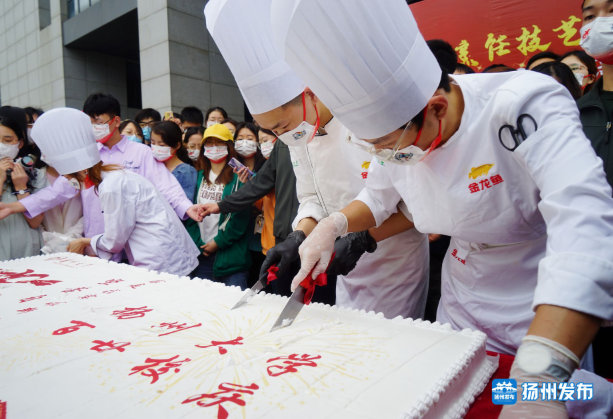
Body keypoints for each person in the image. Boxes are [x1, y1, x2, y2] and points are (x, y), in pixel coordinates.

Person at [273, 0, 613, 416]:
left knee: (567, 400)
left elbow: (587, 232)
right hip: (460, 303)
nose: (383, 156)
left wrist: (540, 378)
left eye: (389, 147)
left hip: (539, 303)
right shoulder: (392, 138)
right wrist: (333, 224)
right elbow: (376, 197)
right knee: (450, 398)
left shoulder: (523, 103)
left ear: (435, 107)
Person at [206, 0, 429, 316]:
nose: (283, 136)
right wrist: (299, 235)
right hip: (337, 256)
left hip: (392, 262)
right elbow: (312, 197)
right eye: (271, 130)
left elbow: (411, 204)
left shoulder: (367, 121)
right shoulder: (300, 132)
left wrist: (362, 238)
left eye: (282, 125)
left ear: (309, 94)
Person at [0, 108, 199, 275]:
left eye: (71, 178)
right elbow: (53, 194)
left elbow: (113, 241)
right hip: (154, 253)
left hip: (160, 257)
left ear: (81, 172)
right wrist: (11, 207)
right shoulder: (109, 175)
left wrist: (83, 242)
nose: (70, 184)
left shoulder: (112, 186)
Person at [577, 0, 613, 381]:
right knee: (588, 391)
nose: (601, 23)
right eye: (591, 15)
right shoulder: (574, 112)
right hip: (588, 288)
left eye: (611, 11)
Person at [186, 123, 251, 288]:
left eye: (219, 143)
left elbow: (240, 217)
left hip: (230, 259)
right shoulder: (198, 176)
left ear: (229, 146)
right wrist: (198, 243)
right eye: (209, 143)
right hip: (201, 255)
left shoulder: (240, 177)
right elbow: (189, 213)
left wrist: (219, 242)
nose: (214, 147)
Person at [0, 107, 45, 261]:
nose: (1, 146)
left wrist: (21, 188)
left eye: (7, 141)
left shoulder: (34, 174)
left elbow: (36, 221)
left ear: (19, 143)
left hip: (28, 256)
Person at [150, 121, 198, 201]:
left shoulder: (185, 172)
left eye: (162, 145)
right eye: (153, 143)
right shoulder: (151, 164)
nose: (156, 147)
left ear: (177, 145)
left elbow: (185, 204)